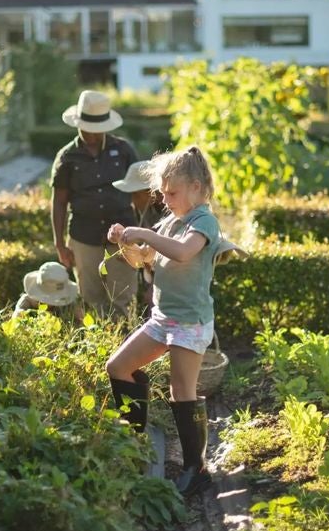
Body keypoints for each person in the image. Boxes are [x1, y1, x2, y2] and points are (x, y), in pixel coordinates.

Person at [105, 146, 221, 497]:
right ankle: (135, 444)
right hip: (162, 318)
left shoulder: (203, 222)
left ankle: (195, 468)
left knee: (181, 391)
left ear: (197, 188)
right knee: (118, 366)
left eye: (172, 193)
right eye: (163, 193)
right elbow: (144, 259)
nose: (166, 200)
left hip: (189, 322)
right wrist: (126, 240)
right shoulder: (171, 221)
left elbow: (184, 252)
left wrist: (144, 234)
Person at [51, 90, 139, 318]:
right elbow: (59, 201)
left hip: (122, 234)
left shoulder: (123, 150)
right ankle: (99, 346)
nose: (92, 133)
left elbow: (141, 193)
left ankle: (126, 344)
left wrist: (146, 235)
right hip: (84, 235)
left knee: (124, 296)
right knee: (91, 297)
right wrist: (60, 244)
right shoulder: (67, 157)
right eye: (87, 127)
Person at [113, 161, 167, 309]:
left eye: (135, 194)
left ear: (151, 192)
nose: (132, 200)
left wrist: (153, 289)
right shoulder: (142, 209)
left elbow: (167, 255)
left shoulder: (170, 214)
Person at [12, 261, 85, 324]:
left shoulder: (68, 302)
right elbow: (17, 314)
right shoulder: (30, 300)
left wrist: (79, 317)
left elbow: (80, 320)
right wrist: (20, 313)